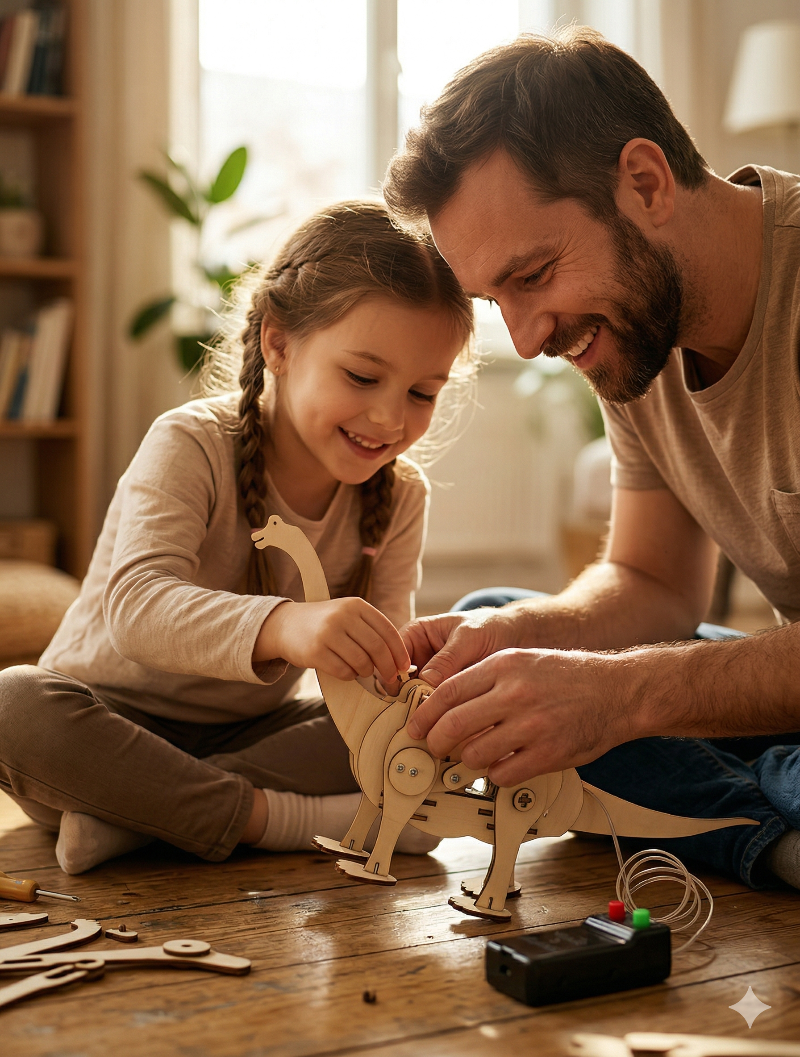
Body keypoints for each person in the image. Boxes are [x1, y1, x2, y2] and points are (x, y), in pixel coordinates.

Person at [382, 26, 800, 890]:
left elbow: (639, 679)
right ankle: (774, 824)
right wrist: (525, 639)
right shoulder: (637, 338)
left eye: (532, 275)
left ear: (644, 183)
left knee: (601, 702)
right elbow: (652, 582)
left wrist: (619, 697)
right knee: (497, 641)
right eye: (495, 299)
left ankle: (745, 820)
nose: (529, 339)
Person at [0, 201, 475, 875]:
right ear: (278, 343)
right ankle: (278, 821)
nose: (389, 417)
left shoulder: (401, 496)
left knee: (407, 732)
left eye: (423, 393)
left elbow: (373, 681)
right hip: (106, 720)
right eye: (363, 377)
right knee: (12, 706)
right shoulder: (190, 442)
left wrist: (411, 674)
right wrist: (286, 626)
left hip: (235, 741)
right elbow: (135, 607)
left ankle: (138, 817)